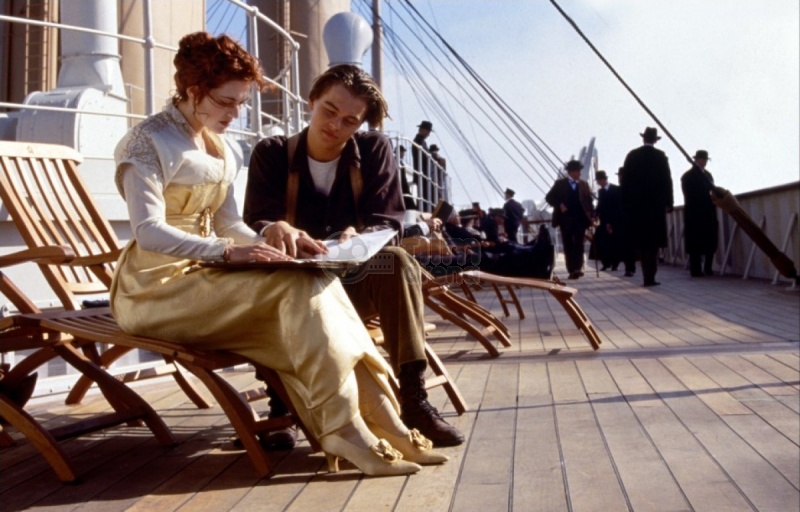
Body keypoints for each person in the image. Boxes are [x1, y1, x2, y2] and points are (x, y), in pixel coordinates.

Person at [109, 32, 447, 477]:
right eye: (226, 102)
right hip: (155, 288)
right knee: (295, 294)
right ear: (193, 91)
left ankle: (384, 420)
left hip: (206, 275)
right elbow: (148, 232)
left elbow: (230, 222)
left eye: (241, 103)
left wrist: (276, 239)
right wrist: (229, 251)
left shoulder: (219, 146)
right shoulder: (146, 142)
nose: (236, 113)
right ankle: (347, 428)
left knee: (310, 279)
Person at [243, 64, 464, 447]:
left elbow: (387, 220)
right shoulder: (273, 153)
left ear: (360, 124)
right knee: (262, 279)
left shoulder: (373, 150)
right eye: (329, 111)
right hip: (293, 289)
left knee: (397, 262)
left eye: (350, 120)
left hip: (353, 283)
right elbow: (255, 219)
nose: (335, 125)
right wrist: (275, 227)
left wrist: (360, 237)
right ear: (312, 101)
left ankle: (413, 400)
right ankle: (281, 407)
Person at [620, 127, 674, 287]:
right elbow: (667, 180)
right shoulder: (660, 156)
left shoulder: (632, 155)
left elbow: (625, 182)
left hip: (637, 208)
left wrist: (626, 204)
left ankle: (646, 276)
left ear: (643, 139)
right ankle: (651, 276)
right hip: (656, 207)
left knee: (643, 243)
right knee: (654, 243)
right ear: (655, 140)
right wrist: (669, 202)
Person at [545, 160, 594, 279]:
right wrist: (559, 204)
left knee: (579, 243)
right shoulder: (560, 184)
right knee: (568, 243)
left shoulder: (584, 185)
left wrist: (592, 216)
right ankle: (571, 269)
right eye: (578, 171)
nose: (580, 173)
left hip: (580, 219)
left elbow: (589, 201)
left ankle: (578, 268)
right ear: (571, 172)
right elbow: (549, 198)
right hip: (565, 219)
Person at [681, 150, 718, 277]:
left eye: (705, 159)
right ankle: (696, 270)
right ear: (696, 160)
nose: (704, 162)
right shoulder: (688, 177)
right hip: (695, 213)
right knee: (695, 242)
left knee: (710, 241)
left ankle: (708, 268)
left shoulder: (707, 175)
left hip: (708, 212)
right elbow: (689, 195)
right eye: (702, 159)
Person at [593, 170, 623, 271]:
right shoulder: (601, 191)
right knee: (602, 242)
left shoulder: (616, 189)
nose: (598, 183)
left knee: (614, 242)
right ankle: (606, 263)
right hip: (604, 220)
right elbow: (600, 205)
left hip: (615, 220)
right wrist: (595, 214)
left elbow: (618, 206)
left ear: (603, 180)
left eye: (598, 181)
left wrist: (613, 220)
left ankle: (615, 264)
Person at [412, 120, 433, 191]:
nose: (428, 134)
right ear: (423, 130)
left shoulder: (422, 141)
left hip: (425, 175)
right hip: (422, 174)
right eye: (428, 132)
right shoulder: (418, 141)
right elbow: (424, 156)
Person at [397, 145, 419, 210]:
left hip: (403, 185)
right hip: (401, 185)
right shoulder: (397, 162)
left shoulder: (401, 163)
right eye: (402, 152)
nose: (403, 154)